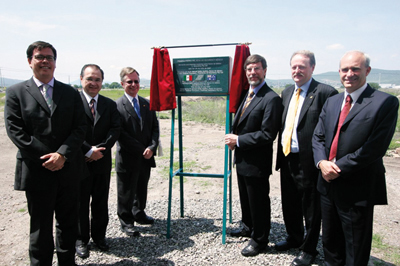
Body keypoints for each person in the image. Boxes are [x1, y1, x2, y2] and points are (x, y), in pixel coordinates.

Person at [312, 51, 399, 266]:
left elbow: (374, 148)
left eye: (355, 69)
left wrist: (336, 167)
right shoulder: (332, 101)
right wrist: (322, 163)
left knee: (355, 246)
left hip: (357, 186)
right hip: (327, 183)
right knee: (330, 241)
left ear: (367, 71)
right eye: (344, 69)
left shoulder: (385, 102)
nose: (349, 74)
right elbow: (318, 136)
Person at [4, 41, 86, 266]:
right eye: (39, 57)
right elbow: (16, 131)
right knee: (40, 226)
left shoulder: (70, 93)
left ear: (55, 63)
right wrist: (49, 157)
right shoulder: (16, 92)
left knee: (68, 223)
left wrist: (62, 155)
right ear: (30, 61)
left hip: (68, 169)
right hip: (37, 171)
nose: (45, 61)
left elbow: (80, 127)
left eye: (49, 57)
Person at [275, 50, 338, 266]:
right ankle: (294, 238)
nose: (297, 70)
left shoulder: (325, 92)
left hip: (310, 162)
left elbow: (330, 130)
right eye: (294, 66)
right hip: (287, 157)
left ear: (312, 68)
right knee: (289, 203)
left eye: (302, 66)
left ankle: (309, 249)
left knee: (311, 208)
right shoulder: (286, 93)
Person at [225, 54, 283, 257]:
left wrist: (238, 141)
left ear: (264, 71)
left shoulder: (271, 99)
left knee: (258, 201)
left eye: (257, 68)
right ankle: (247, 226)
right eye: (249, 69)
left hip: (257, 161)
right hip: (242, 158)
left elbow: (268, 134)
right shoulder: (246, 94)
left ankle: (260, 240)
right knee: (245, 197)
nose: (252, 72)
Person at [75, 64, 121, 258]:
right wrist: (88, 150)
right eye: (89, 79)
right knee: (80, 202)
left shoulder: (109, 104)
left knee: (100, 201)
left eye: (97, 79)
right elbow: (69, 130)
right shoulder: (72, 102)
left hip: (102, 160)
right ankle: (80, 240)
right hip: (79, 161)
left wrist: (101, 148)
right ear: (81, 79)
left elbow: (115, 128)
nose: (93, 83)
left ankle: (100, 237)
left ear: (102, 82)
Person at [115, 67, 159, 236]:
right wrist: (143, 149)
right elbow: (121, 134)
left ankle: (139, 213)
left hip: (146, 156)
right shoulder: (117, 106)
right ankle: (126, 221)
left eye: (136, 81)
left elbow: (155, 128)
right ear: (122, 84)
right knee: (126, 190)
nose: (133, 85)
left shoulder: (146, 104)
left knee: (141, 187)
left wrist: (152, 147)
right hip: (128, 156)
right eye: (129, 82)